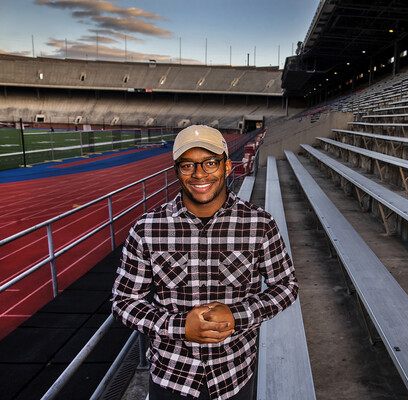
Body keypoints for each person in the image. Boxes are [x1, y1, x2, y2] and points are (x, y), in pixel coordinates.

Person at [112, 125, 298, 400]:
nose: (199, 174)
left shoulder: (259, 224)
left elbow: (286, 286)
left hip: (234, 375)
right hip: (171, 377)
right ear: (177, 170)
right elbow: (123, 301)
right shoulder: (147, 229)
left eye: (210, 163)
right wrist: (177, 326)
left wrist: (237, 315)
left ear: (226, 166)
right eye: (188, 165)